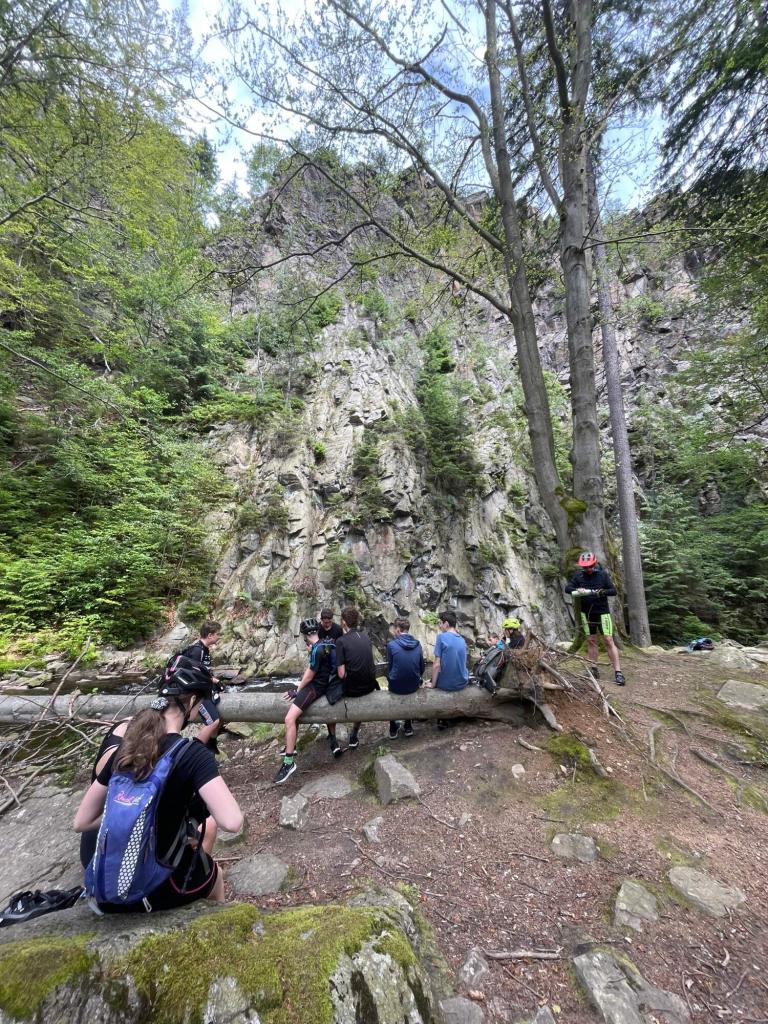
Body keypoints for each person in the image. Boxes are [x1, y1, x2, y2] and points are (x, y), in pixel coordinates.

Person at [74, 666, 243, 912]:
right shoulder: (193, 754)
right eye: (199, 705)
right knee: (214, 875)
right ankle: (210, 922)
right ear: (192, 702)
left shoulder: (126, 748)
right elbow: (233, 822)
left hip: (107, 892)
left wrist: (132, 813)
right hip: (157, 889)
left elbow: (81, 822)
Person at [273, 619, 343, 785]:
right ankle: (292, 746)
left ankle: (289, 762)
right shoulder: (327, 643)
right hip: (328, 685)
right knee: (294, 716)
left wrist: (296, 691)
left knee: (289, 719)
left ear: (305, 636)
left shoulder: (316, 650)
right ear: (317, 631)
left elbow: (310, 675)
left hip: (315, 688)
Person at [565, 552, 626, 686]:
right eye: (585, 567)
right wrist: (578, 589)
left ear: (594, 563)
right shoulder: (579, 576)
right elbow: (567, 588)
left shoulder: (602, 575)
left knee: (608, 640)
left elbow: (613, 591)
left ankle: (618, 672)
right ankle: (593, 669)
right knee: (591, 640)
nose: (588, 569)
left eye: (590, 566)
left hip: (602, 613)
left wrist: (602, 592)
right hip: (586, 614)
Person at [335, 606, 379, 749]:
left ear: (343, 622)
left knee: (330, 684)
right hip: (370, 685)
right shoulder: (365, 636)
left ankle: (333, 737)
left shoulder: (341, 641)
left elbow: (341, 674)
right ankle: (354, 733)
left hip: (354, 690)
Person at [178, 621, 224, 752]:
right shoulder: (197, 651)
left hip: (203, 690)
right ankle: (198, 751)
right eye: (218, 634)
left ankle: (211, 745)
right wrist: (212, 680)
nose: (219, 637)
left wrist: (213, 681)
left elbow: (203, 671)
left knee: (216, 719)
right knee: (213, 721)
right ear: (210, 635)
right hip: (196, 694)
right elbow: (193, 674)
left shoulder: (204, 649)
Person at [428, 610, 468, 728]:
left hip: (448, 685)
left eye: (440, 623)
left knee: (431, 681)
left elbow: (436, 665)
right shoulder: (462, 639)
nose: (439, 626)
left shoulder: (441, 637)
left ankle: (442, 719)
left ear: (446, 624)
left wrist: (432, 684)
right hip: (462, 682)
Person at [386, 616, 424, 739]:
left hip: (396, 686)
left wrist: (390, 679)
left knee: (392, 686)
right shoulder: (417, 644)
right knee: (409, 682)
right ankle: (408, 726)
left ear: (398, 629)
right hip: (413, 685)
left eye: (394, 629)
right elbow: (422, 667)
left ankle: (393, 729)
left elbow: (390, 668)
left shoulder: (391, 645)